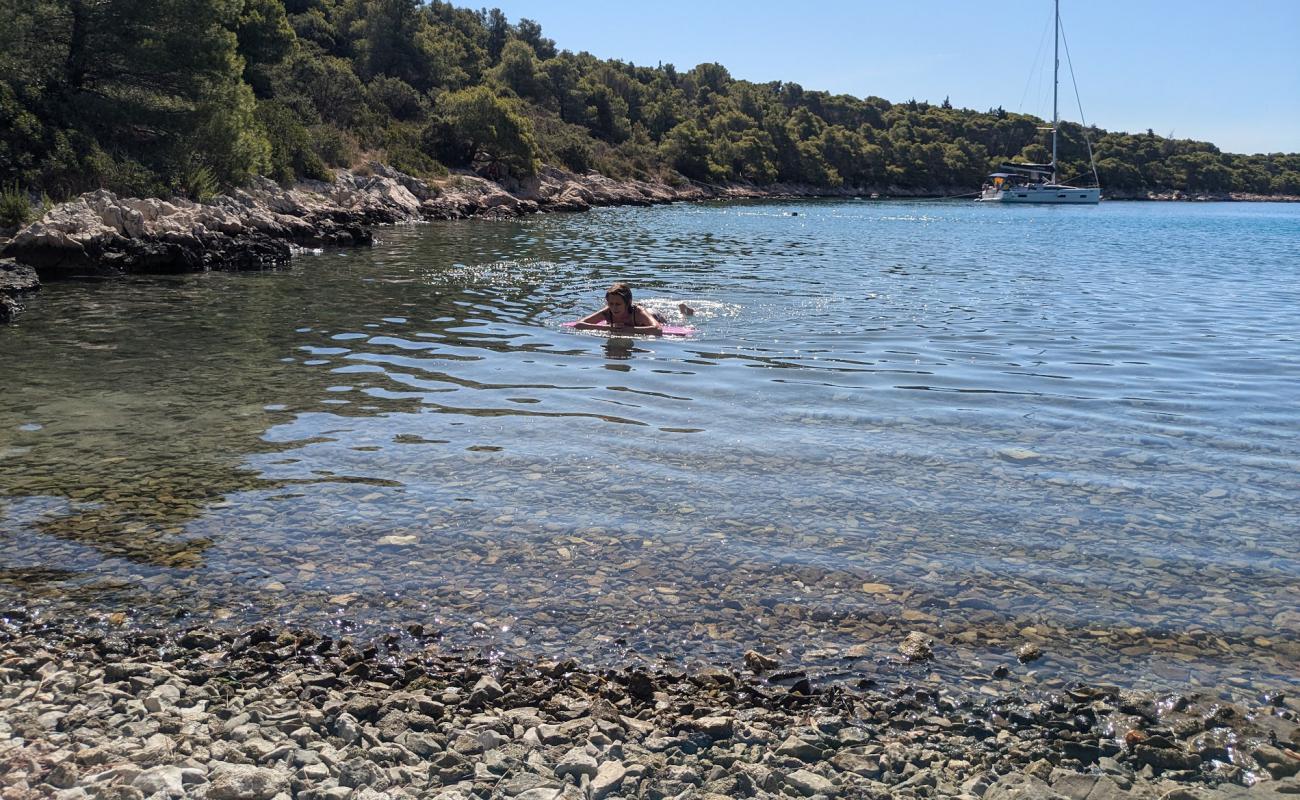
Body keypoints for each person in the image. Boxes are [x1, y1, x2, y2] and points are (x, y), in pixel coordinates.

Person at [574, 283, 693, 334]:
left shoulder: (638, 312)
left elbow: (657, 330)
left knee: (677, 323)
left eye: (618, 304)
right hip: (636, 320)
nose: (614, 308)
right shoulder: (608, 311)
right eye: (611, 303)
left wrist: (627, 329)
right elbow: (579, 324)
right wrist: (608, 327)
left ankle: (684, 312)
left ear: (628, 302)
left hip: (653, 315)